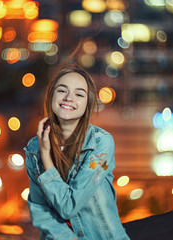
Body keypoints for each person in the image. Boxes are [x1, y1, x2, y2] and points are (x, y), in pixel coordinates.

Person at [24, 64, 130, 240]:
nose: (68, 98)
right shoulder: (34, 148)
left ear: (87, 104)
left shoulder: (99, 143)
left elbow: (69, 206)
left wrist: (46, 158)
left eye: (79, 94)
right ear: (51, 97)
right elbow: (40, 212)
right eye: (62, 91)